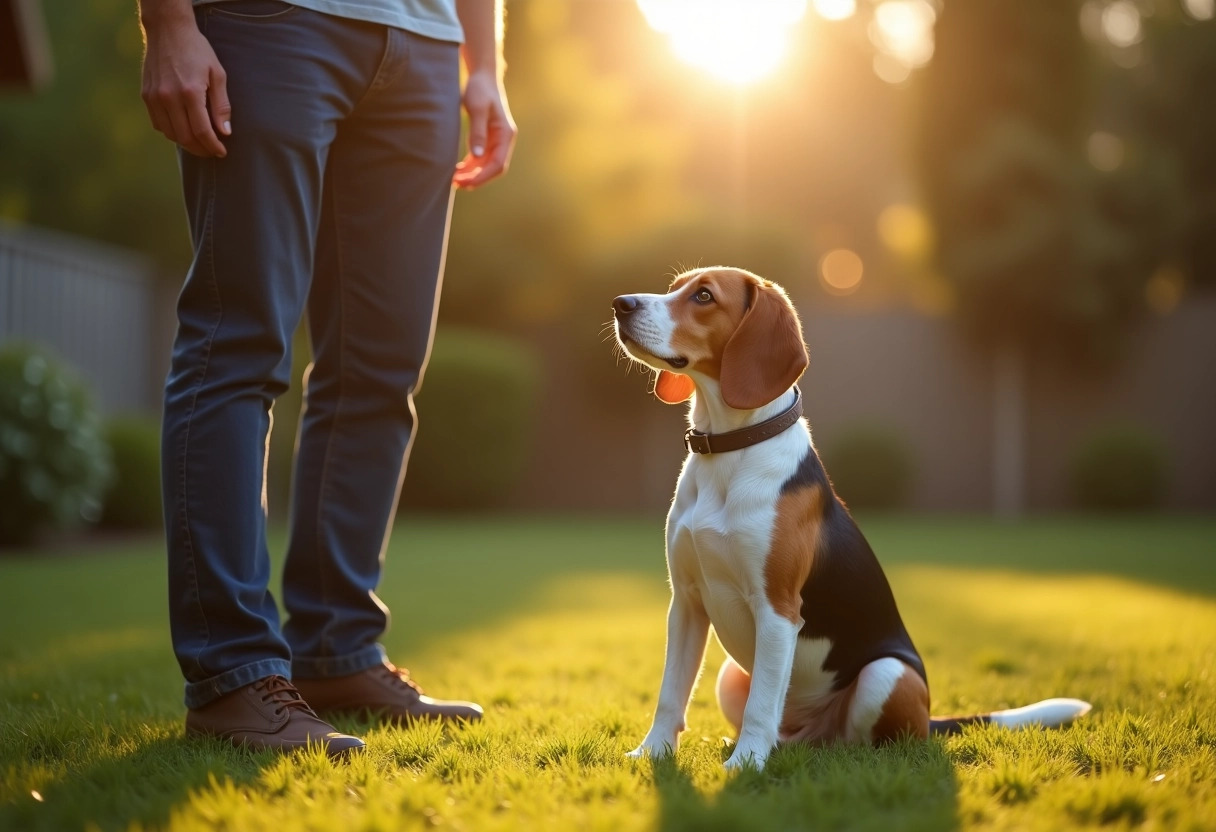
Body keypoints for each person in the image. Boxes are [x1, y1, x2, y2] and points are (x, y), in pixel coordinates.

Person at [139, 0, 516, 756]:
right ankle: (233, 672)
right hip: (270, 23)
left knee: (381, 372)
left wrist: (486, 64)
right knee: (239, 346)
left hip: (426, 44)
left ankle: (337, 651)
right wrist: (169, 24)